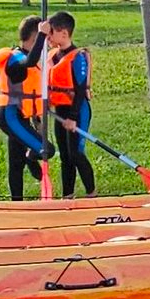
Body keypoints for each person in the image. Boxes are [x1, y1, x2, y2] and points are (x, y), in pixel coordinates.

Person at [0, 15, 54, 200]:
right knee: (47, 149)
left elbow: (28, 93)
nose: (45, 46)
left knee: (15, 163)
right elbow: (29, 61)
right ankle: (30, 158)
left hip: (20, 117)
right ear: (34, 39)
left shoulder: (25, 58)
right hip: (10, 116)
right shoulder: (16, 59)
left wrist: (37, 118)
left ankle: (17, 203)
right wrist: (42, 34)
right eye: (43, 41)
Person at [46, 11, 95, 198]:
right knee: (65, 156)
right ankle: (68, 196)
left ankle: (91, 193)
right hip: (60, 110)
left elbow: (81, 90)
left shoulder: (77, 57)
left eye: (51, 33)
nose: (48, 37)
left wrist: (73, 118)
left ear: (64, 33)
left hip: (77, 110)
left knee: (75, 154)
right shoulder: (52, 55)